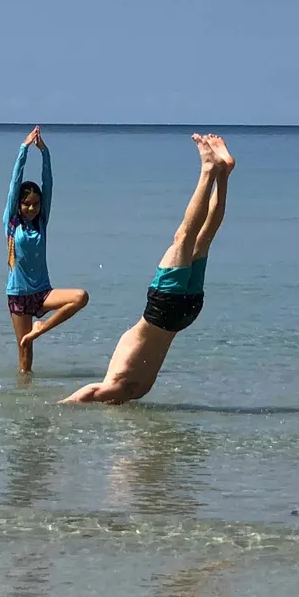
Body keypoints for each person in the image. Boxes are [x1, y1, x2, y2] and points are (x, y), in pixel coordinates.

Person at [61, 133, 233, 404]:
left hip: (186, 313)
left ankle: (223, 174)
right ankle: (209, 170)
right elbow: (91, 393)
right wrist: (58, 409)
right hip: (163, 310)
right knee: (185, 237)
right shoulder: (116, 385)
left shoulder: (139, 390)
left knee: (204, 237)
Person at [4, 126, 90, 374]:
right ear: (19, 205)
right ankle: (25, 398)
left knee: (80, 297)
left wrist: (44, 152)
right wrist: (23, 150)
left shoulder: (41, 222)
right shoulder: (11, 224)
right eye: (27, 204)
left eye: (36, 204)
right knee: (24, 353)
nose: (32, 208)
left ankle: (42, 328)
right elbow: (14, 183)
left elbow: (48, 183)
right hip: (18, 295)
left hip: (43, 292)